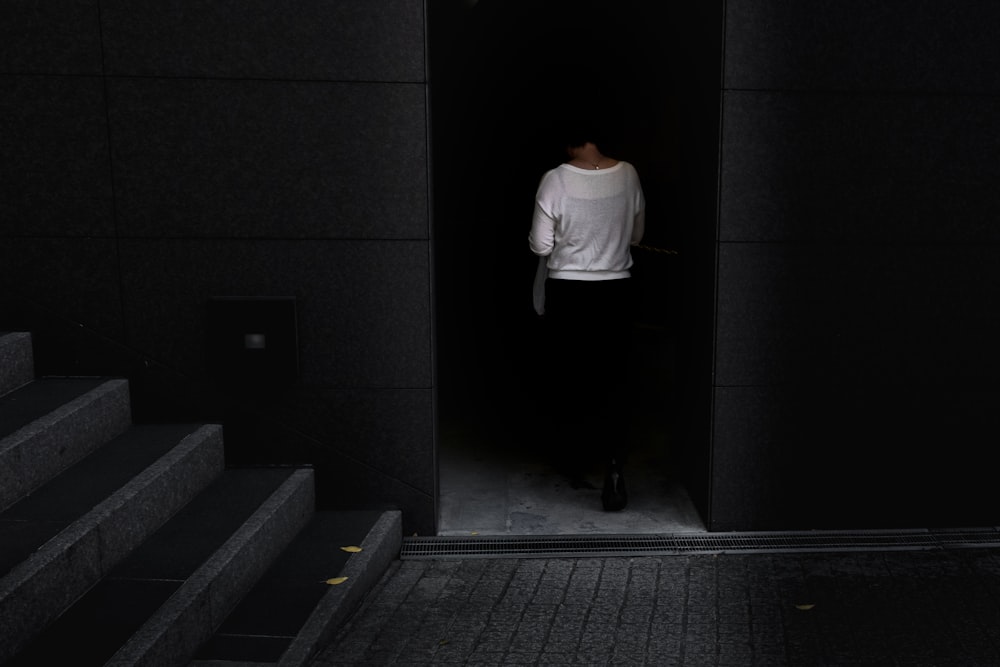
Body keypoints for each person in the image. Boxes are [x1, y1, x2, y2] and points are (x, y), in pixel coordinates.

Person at [528, 121, 646, 511]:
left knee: (572, 374)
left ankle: (575, 457)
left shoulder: (555, 180)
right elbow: (636, 236)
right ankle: (614, 466)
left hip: (570, 290)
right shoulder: (628, 174)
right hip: (617, 288)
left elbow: (540, 244)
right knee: (616, 376)